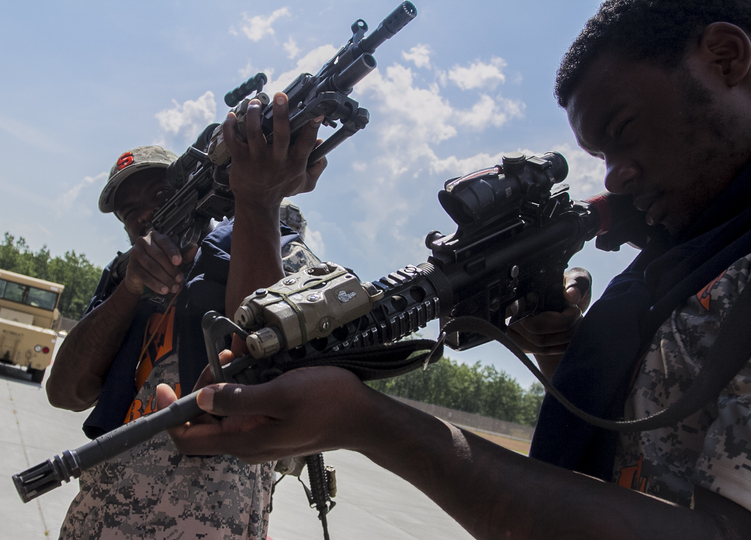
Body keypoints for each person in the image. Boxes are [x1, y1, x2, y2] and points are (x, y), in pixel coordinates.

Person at [156, 1, 751, 538]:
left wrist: (374, 425)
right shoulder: (685, 256)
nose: (614, 176)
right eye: (601, 156)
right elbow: (629, 458)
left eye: (622, 132)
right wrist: (562, 352)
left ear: (726, 58)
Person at [46, 93, 325, 539]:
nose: (144, 218)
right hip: (99, 519)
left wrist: (258, 201)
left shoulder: (253, 242)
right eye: (128, 213)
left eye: (158, 196)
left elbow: (272, 363)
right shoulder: (122, 281)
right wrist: (130, 290)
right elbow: (65, 392)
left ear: (193, 189)